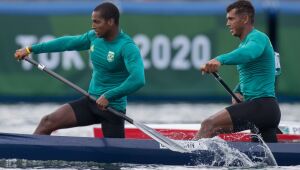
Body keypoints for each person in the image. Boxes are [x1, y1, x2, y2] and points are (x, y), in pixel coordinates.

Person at [14, 2, 145, 138]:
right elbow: (66, 43)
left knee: (115, 159)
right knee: (47, 121)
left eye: (97, 22)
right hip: (90, 102)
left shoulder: (127, 47)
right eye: (92, 21)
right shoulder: (93, 37)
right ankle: (30, 156)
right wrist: (30, 49)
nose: (93, 26)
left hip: (112, 109)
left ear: (111, 22)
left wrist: (108, 96)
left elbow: (138, 79)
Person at [194, 0, 281, 142]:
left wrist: (220, 59)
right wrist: (238, 90)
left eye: (231, 19)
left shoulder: (258, 38)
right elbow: (267, 71)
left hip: (261, 106)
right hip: (265, 111)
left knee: (208, 125)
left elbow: (249, 53)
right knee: (266, 159)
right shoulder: (246, 43)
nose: (228, 23)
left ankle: (185, 155)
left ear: (245, 19)